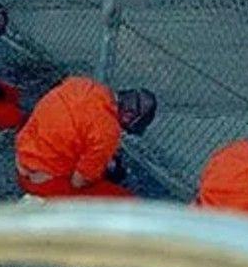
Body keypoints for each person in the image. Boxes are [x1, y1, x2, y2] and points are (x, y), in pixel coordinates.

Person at [14, 78, 156, 199]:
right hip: (42, 183)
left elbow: (77, 127)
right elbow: (78, 182)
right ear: (128, 116)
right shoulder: (108, 131)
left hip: (22, 159)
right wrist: (101, 170)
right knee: (126, 200)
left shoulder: (83, 84)